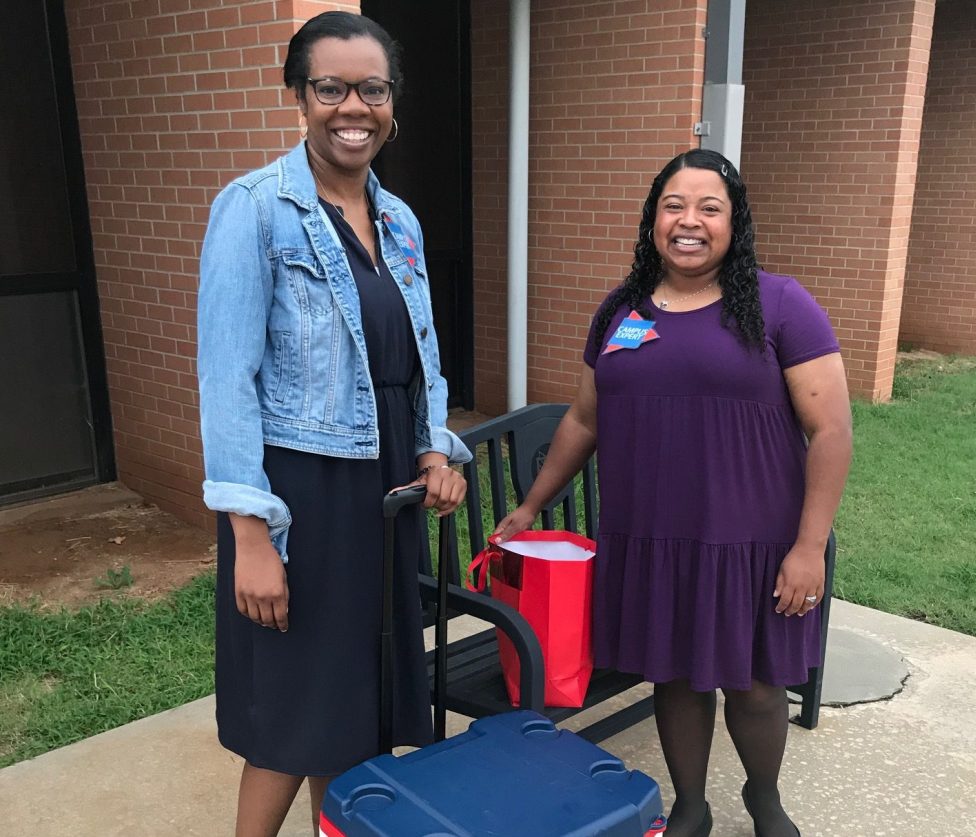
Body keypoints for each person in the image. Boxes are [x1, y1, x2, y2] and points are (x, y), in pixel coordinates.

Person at [495, 149, 852, 837]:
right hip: (654, 535)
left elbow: (832, 428)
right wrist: (531, 503)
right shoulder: (620, 309)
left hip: (752, 540)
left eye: (709, 207)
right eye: (674, 205)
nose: (689, 221)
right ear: (653, 218)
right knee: (678, 677)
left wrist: (809, 545)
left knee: (753, 682)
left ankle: (764, 797)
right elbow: (583, 418)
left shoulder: (781, 305)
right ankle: (691, 804)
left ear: (734, 222)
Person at [197, 12, 470, 837]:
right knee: (293, 705)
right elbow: (226, 380)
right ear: (298, 96)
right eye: (331, 88)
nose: (354, 107)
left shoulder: (401, 221)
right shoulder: (253, 210)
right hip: (301, 496)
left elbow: (417, 352)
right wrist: (251, 534)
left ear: (392, 102)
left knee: (356, 704)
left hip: (383, 489)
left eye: (373, 89)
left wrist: (433, 444)